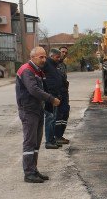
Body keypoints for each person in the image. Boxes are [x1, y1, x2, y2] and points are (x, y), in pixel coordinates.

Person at [16, 47, 60, 183]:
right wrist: (51, 99)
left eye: (45, 57)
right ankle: (28, 173)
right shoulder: (26, 70)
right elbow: (33, 90)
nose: (44, 59)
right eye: (41, 57)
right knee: (29, 142)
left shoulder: (37, 71)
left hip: (37, 110)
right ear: (33, 57)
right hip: (28, 111)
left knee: (36, 142)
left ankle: (33, 169)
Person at [43, 48, 63, 149]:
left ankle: (52, 139)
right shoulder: (46, 63)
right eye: (57, 57)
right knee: (50, 118)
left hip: (55, 95)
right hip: (49, 95)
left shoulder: (54, 65)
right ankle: (48, 141)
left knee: (54, 118)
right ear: (51, 56)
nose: (59, 59)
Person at [54, 46, 70, 144]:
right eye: (62, 52)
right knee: (58, 114)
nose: (64, 54)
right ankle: (56, 136)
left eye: (65, 52)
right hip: (57, 93)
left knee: (65, 112)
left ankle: (60, 135)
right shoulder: (53, 64)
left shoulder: (63, 65)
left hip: (64, 92)